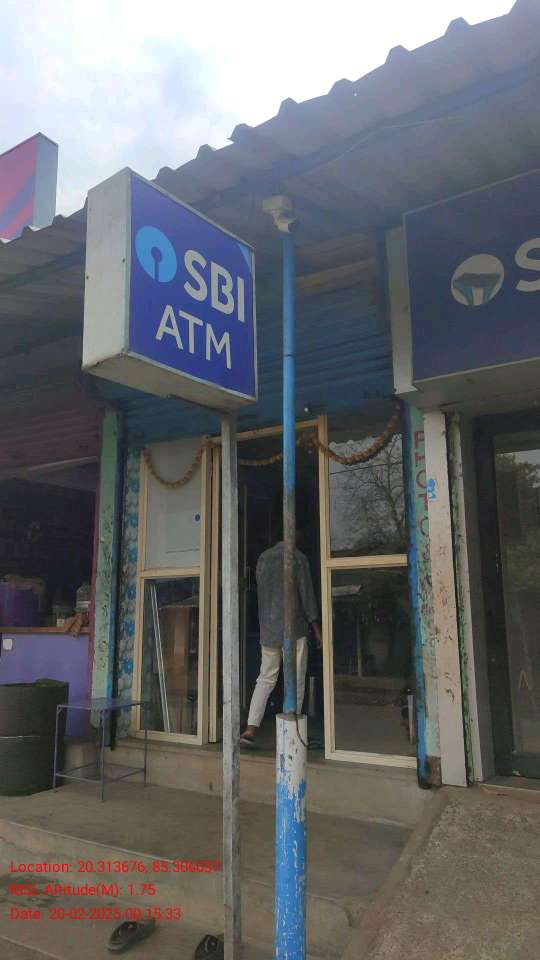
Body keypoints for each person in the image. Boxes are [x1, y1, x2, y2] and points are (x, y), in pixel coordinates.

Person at [240, 531, 322, 747]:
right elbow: (306, 595)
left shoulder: (263, 559)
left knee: (265, 678)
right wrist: (316, 628)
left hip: (269, 629)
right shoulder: (298, 558)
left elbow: (261, 594)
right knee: (295, 679)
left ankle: (250, 729)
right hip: (294, 629)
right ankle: (291, 733)